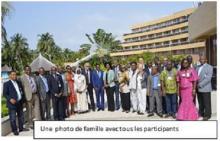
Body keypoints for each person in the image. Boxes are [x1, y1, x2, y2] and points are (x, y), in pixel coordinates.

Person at [3, 70, 29, 135]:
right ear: (10, 76)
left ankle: (21, 128)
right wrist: (10, 99)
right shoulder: (6, 84)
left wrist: (23, 101)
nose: (15, 76)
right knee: (13, 118)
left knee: (21, 116)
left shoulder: (18, 82)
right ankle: (14, 130)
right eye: (13, 74)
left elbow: (21, 91)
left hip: (19, 102)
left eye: (15, 74)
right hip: (12, 104)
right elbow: (5, 94)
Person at [196, 55, 213, 121]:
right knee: (200, 102)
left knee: (207, 102)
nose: (201, 60)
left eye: (203, 59)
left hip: (205, 88)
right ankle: (201, 113)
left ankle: (207, 115)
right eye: (200, 59)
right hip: (198, 88)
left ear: (206, 60)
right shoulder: (197, 67)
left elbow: (208, 78)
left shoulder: (209, 67)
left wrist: (200, 85)